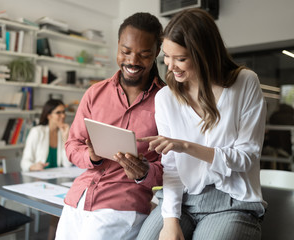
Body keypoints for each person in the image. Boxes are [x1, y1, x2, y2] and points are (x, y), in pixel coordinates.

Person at [138, 8, 267, 240]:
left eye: (181, 59)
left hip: (233, 201)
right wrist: (170, 221)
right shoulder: (166, 98)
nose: (171, 66)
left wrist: (186, 147)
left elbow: (247, 157)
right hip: (184, 201)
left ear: (203, 54)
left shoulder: (245, 82)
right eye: (167, 56)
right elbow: (172, 168)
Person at [55, 12, 165, 240]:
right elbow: (72, 145)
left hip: (122, 206)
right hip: (78, 198)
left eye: (144, 55)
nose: (132, 61)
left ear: (157, 52)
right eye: (125, 52)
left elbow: (175, 168)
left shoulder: (167, 101)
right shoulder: (95, 93)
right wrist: (91, 156)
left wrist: (144, 172)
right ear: (117, 46)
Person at [21, 98, 72, 172]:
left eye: (64, 112)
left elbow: (67, 164)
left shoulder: (63, 132)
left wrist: (65, 139)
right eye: (58, 113)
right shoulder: (37, 132)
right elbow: (24, 162)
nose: (63, 116)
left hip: (57, 177)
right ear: (49, 116)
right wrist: (33, 166)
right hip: (38, 178)